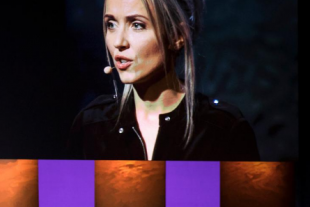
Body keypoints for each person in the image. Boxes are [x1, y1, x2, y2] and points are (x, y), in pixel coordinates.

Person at [67, 0, 259, 161]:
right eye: (111, 24)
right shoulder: (92, 126)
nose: (119, 42)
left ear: (177, 36)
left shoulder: (223, 129)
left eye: (137, 25)